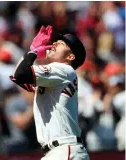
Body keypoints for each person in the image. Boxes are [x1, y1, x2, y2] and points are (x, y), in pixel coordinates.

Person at [10, 25, 89, 159]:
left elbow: (21, 74)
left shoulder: (64, 70)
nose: (55, 43)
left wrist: (34, 52)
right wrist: (31, 51)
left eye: (63, 43)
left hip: (64, 150)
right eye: (57, 41)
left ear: (70, 56)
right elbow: (17, 77)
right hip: (59, 151)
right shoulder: (56, 77)